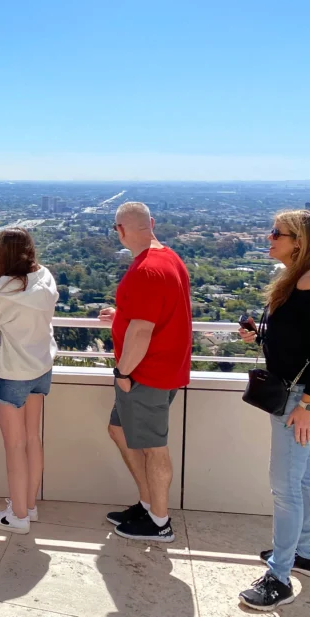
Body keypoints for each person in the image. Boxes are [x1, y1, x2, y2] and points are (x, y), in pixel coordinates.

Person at [237, 210, 310, 611]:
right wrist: (258, 335)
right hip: (294, 393)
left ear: (298, 241)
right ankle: (309, 555)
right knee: (302, 476)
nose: (269, 238)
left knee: (284, 487)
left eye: (276, 233)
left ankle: (279, 577)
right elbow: (295, 340)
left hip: (301, 397)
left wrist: (308, 406)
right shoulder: (291, 279)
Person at [98, 201, 191, 543]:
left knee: (154, 447)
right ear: (151, 223)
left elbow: (141, 332)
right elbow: (151, 313)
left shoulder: (146, 270)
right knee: (118, 430)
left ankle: (160, 523)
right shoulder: (169, 259)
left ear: (121, 230)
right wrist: (121, 315)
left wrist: (123, 372)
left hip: (146, 374)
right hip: (163, 368)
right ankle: (149, 505)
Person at [0, 229, 58, 535]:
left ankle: (17, 516)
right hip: (41, 367)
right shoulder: (45, 277)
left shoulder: (2, 290)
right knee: (33, 439)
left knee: (14, 445)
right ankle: (29, 505)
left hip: (11, 372)